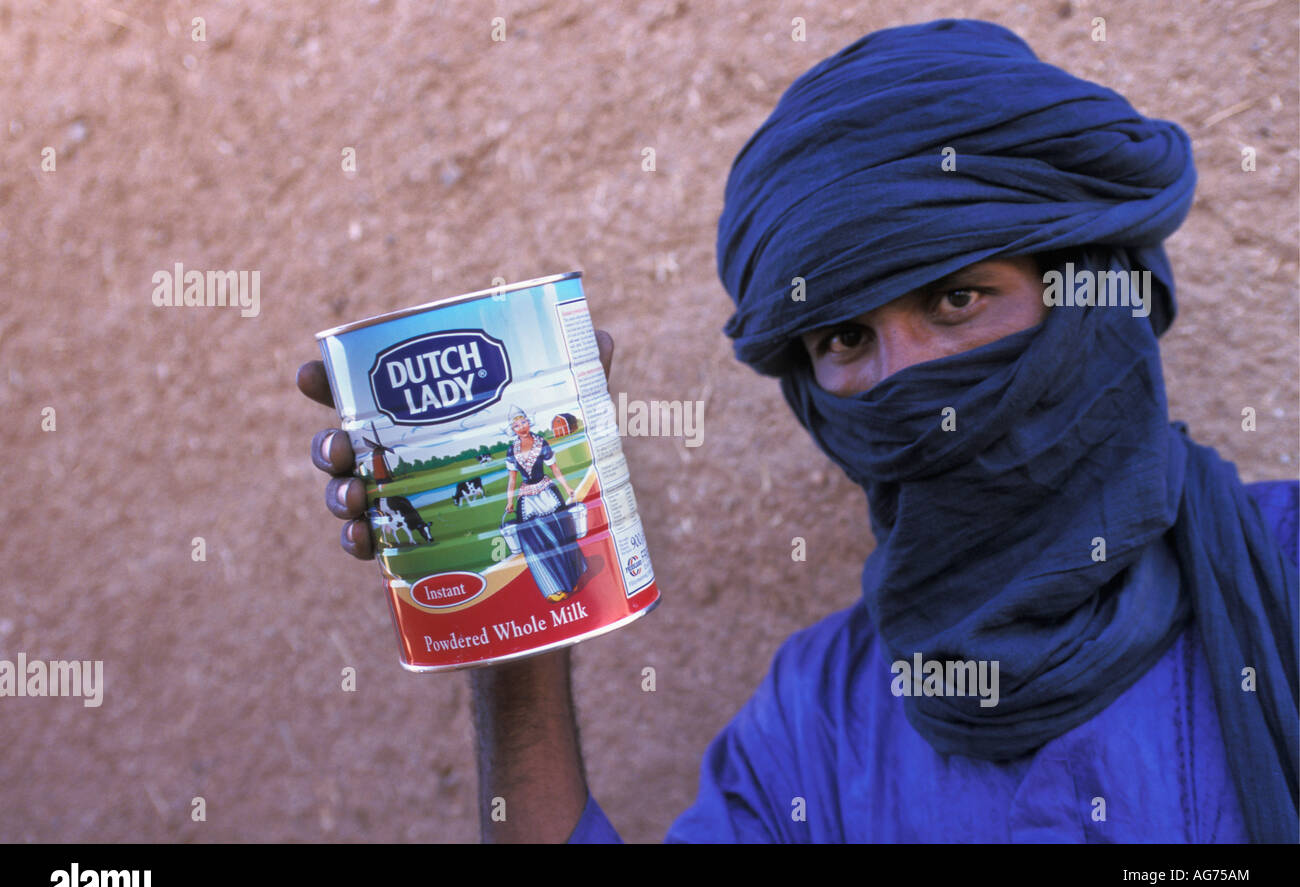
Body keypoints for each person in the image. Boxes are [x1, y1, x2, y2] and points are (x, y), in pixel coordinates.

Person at [299, 19, 1297, 843]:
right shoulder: (814, 724)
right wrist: (509, 630)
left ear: (1091, 294)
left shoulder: (1281, 581)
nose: (903, 379)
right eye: (847, 336)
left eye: (956, 299)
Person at [501, 407, 586, 602]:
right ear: (513, 429)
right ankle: (553, 586)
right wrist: (509, 502)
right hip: (527, 499)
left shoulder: (541, 443)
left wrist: (568, 488)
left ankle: (570, 577)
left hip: (547, 493)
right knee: (534, 543)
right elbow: (512, 480)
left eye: (523, 423)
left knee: (560, 536)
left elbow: (555, 469)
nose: (521, 427)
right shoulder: (511, 450)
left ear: (529, 423)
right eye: (516, 425)